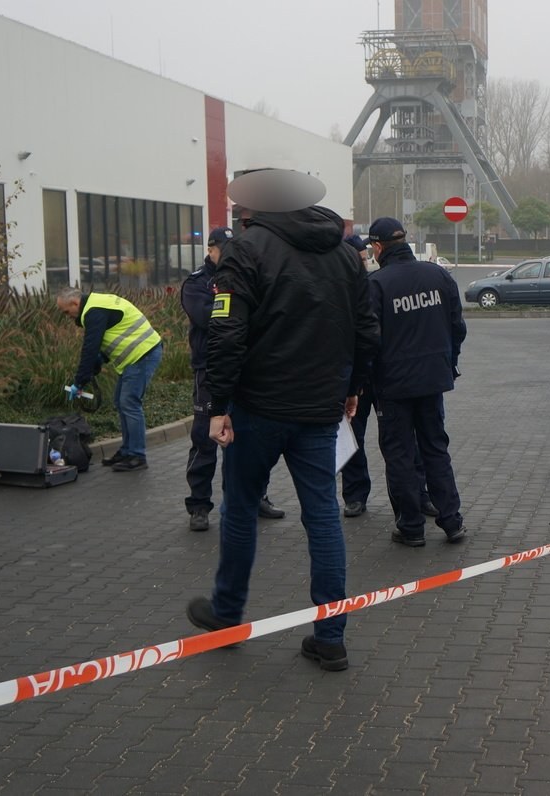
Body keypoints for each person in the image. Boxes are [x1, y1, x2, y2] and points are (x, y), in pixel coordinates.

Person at [187, 181, 378, 673]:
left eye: (240, 207)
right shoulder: (343, 255)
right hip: (320, 408)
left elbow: (226, 333)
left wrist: (217, 404)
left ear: (260, 207)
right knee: (323, 516)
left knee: (241, 507)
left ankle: (227, 616)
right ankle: (330, 637)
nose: (238, 214)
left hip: (258, 408)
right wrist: (352, 388)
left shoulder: (245, 251)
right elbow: (366, 329)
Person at [366, 217, 467, 547]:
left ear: (378, 247)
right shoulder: (438, 275)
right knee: (436, 449)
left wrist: (363, 382)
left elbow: (368, 339)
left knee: (400, 456)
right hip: (432, 381)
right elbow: (457, 327)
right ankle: (451, 521)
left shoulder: (377, 284)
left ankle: (411, 527)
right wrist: (447, 363)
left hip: (393, 388)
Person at [180, 227, 284, 532]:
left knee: (250, 438)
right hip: (209, 369)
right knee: (204, 438)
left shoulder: (246, 275)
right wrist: (239, 311)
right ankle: (199, 504)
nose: (227, 253)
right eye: (222, 248)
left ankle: (256, 496)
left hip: (245, 368)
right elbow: (206, 317)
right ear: (211, 249)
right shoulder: (197, 282)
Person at [340, 233, 437, 521]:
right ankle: (355, 496)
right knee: (352, 439)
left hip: (386, 375)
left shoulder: (378, 283)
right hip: (354, 378)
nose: (362, 263)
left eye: (364, 258)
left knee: (406, 440)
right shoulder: (337, 288)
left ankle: (419, 495)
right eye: (357, 259)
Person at [57, 286, 162, 472]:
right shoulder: (96, 304)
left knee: (129, 403)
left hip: (143, 354)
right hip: (138, 356)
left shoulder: (93, 311)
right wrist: (96, 365)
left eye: (67, 312)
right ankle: (127, 451)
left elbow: (90, 347)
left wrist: (79, 381)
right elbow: (112, 336)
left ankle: (137, 456)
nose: (68, 316)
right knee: (121, 402)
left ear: (75, 303)